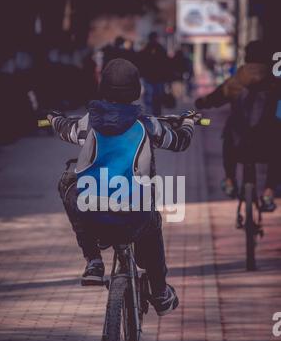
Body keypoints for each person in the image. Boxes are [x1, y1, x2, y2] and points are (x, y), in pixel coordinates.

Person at [47, 58, 198, 316]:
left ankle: (93, 260)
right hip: (134, 215)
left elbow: (66, 130)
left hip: (91, 213)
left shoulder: (89, 122)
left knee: (67, 183)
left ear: (102, 87)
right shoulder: (148, 125)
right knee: (153, 222)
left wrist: (53, 119)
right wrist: (188, 123)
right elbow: (179, 142)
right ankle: (160, 293)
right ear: (135, 90)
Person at [196, 40, 278, 212]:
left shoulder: (237, 80)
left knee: (228, 133)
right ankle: (269, 191)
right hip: (267, 144)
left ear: (247, 57)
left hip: (239, 144)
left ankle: (230, 180)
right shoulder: (275, 81)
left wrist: (202, 103)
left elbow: (216, 98)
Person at [139, 32, 170, 115]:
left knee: (149, 98)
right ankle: (157, 114)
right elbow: (166, 64)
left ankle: (150, 115)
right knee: (157, 98)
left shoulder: (145, 49)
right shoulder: (161, 49)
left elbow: (141, 63)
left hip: (149, 78)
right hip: (158, 78)